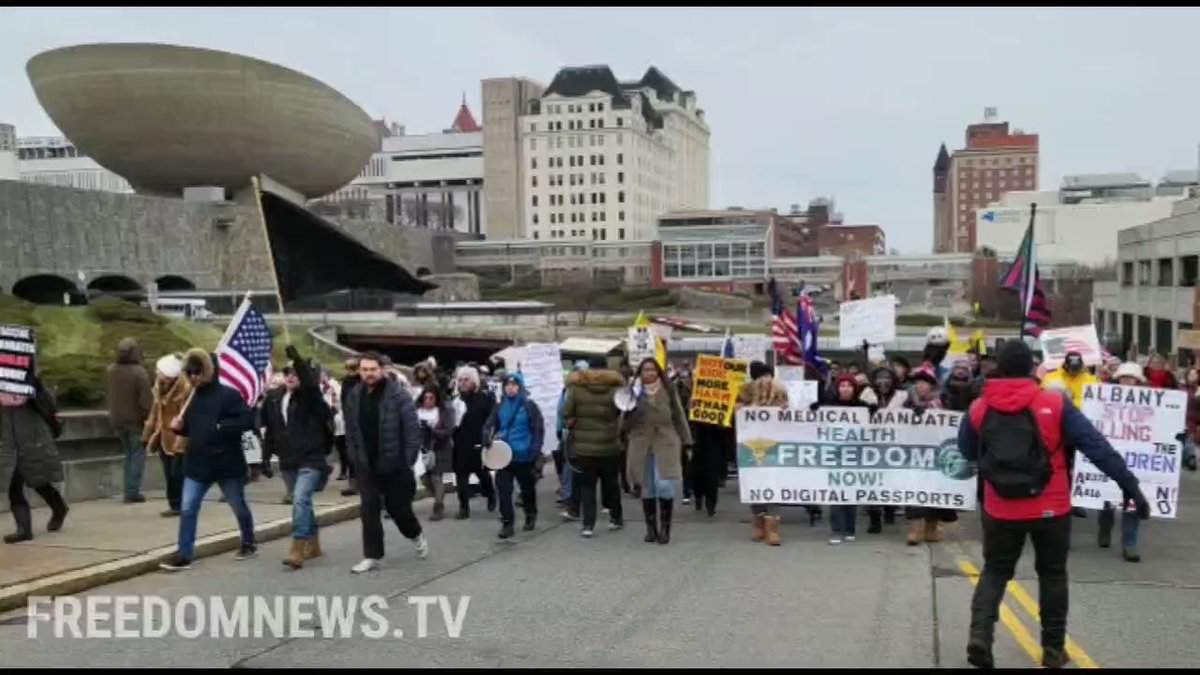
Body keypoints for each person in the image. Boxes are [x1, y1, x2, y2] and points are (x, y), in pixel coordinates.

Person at [958, 340, 1149, 669]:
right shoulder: (1055, 402)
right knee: (1052, 575)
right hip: (1051, 505)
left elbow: (965, 450)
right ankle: (1053, 648)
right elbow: (1097, 448)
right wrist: (1130, 487)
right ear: (1034, 368)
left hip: (1000, 506)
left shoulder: (978, 407)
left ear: (1000, 369)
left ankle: (980, 635)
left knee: (995, 571)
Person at [159, 349, 258, 571]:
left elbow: (246, 420)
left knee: (237, 504)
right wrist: (180, 428)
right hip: (198, 463)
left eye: (197, 372)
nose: (193, 377)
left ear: (208, 371)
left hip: (226, 463)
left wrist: (221, 427)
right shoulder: (191, 398)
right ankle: (184, 553)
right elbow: (191, 430)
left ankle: (249, 541)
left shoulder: (230, 395)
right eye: (189, 372)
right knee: (188, 508)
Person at [343, 351, 429, 573]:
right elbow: (351, 429)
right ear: (360, 371)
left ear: (382, 370)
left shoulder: (398, 395)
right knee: (369, 511)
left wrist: (408, 460)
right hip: (366, 465)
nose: (369, 374)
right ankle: (371, 556)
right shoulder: (354, 394)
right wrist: (353, 455)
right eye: (365, 370)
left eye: (373, 369)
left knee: (398, 510)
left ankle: (416, 535)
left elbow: (412, 431)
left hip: (394, 464)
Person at [262, 347, 334, 569]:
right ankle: (314, 543)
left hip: (311, 460)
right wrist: (265, 457)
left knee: (301, 499)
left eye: (295, 373)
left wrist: (299, 361)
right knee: (302, 502)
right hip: (288, 460)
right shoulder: (276, 398)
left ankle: (297, 547)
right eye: (287, 373)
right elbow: (271, 429)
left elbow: (310, 385)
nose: (290, 376)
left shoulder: (312, 398)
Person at [623, 358, 693, 545]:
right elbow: (623, 423)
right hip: (641, 442)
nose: (650, 373)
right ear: (640, 372)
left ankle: (665, 529)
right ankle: (651, 529)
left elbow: (679, 415)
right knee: (647, 485)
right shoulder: (633, 392)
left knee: (664, 483)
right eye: (645, 370)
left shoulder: (669, 390)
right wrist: (629, 409)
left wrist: (687, 442)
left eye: (653, 370)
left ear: (659, 372)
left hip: (665, 440)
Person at [1095, 362, 1156, 562]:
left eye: (1131, 378)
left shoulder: (1152, 404)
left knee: (1132, 502)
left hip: (1135, 462)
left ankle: (1130, 543)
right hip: (1109, 458)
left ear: (1138, 381)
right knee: (1106, 499)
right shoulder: (1104, 399)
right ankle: (1104, 529)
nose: (1127, 381)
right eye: (1123, 377)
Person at [561, 364, 626, 537]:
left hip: (585, 447)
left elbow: (565, 412)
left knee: (587, 487)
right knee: (611, 484)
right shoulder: (616, 389)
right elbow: (624, 413)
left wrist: (573, 422)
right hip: (609, 446)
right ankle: (615, 518)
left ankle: (588, 525)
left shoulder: (576, 389)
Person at [1, 376, 68, 543]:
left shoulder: (28, 381)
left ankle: (58, 507)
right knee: (13, 484)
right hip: (10, 441)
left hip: (32, 439)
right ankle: (23, 528)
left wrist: (54, 428)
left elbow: (47, 408)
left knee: (38, 480)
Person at [483, 373, 545, 539]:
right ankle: (507, 522)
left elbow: (538, 429)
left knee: (527, 488)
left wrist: (535, 449)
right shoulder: (499, 407)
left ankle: (530, 514)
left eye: (514, 385)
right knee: (503, 489)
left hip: (524, 455)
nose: (510, 388)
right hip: (503, 455)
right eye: (507, 385)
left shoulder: (530, 406)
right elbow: (489, 425)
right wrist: (486, 437)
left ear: (520, 387)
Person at [737, 361, 789, 544]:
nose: (765, 380)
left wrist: (784, 410)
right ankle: (758, 525)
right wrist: (742, 411)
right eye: (762, 376)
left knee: (773, 485)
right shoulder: (746, 391)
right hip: (751, 445)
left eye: (768, 376)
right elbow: (737, 414)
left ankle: (772, 528)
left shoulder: (780, 391)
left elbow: (788, 415)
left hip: (774, 445)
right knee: (754, 484)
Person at [824, 373, 873, 544]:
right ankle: (836, 530)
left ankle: (850, 529)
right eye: (842, 386)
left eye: (849, 386)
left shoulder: (863, 407)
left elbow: (878, 417)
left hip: (854, 456)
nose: (846, 389)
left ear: (854, 389)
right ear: (837, 389)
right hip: (835, 455)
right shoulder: (828, 407)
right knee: (836, 495)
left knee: (851, 494)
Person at [142, 354, 190, 517]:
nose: (157, 374)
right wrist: (146, 436)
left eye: (159, 372)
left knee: (178, 473)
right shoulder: (158, 388)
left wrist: (182, 437)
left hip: (178, 438)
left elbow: (186, 416)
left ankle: (182, 503)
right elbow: (153, 413)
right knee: (169, 473)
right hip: (162, 436)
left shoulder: (184, 389)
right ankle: (174, 503)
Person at [106, 337, 152, 503]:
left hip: (117, 420)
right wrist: (148, 418)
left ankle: (129, 488)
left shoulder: (111, 370)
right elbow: (146, 400)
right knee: (137, 456)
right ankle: (132, 491)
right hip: (135, 421)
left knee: (128, 455)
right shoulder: (139, 372)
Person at [452, 365, 496, 519]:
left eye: (466, 380)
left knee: (482, 474)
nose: (463, 383)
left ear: (474, 382)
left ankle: (490, 494)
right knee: (461, 476)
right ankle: (463, 507)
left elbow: (493, 419)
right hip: (460, 443)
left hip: (478, 442)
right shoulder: (456, 401)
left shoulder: (485, 398)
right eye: (460, 380)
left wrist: (490, 436)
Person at [416, 385, 455, 521]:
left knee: (436, 477)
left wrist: (432, 431)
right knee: (424, 479)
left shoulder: (443, 411)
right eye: (426, 397)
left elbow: (449, 430)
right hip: (422, 449)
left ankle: (438, 507)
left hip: (440, 448)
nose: (428, 400)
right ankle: (439, 498)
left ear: (436, 399)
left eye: (431, 398)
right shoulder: (417, 411)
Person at [338, 357, 362, 497]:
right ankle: (353, 483)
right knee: (351, 453)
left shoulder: (362, 381)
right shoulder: (346, 382)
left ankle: (363, 482)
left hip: (362, 420)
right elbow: (344, 400)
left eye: (353, 367)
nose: (351, 371)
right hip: (350, 420)